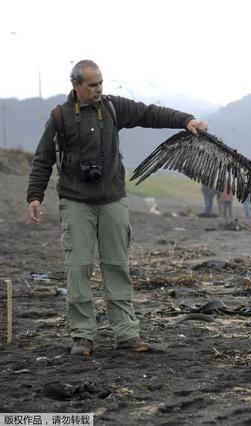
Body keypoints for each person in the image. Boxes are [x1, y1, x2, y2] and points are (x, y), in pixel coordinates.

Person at [26, 60, 208, 356]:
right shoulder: (59, 117)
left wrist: (186, 120)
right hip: (75, 203)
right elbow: (42, 159)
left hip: (113, 200)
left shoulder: (112, 108)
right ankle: (83, 336)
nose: (99, 89)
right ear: (76, 85)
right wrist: (34, 196)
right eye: (92, 85)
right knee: (78, 269)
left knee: (117, 268)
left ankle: (126, 335)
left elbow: (150, 113)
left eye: (101, 83)